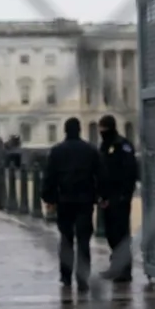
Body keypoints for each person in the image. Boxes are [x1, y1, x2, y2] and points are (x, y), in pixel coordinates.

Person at [41, 117, 102, 292]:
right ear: (80, 130)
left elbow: (49, 176)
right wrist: (100, 195)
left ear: (65, 131)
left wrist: (48, 197)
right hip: (84, 199)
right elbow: (100, 174)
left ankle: (66, 275)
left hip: (64, 199)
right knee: (83, 239)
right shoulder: (90, 150)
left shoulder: (57, 151)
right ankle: (83, 277)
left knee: (66, 238)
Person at [97, 114, 139, 282]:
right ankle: (115, 266)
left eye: (103, 129)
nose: (101, 132)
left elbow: (130, 171)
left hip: (120, 195)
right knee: (110, 233)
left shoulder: (123, 145)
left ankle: (125, 270)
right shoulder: (104, 145)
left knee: (121, 233)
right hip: (107, 195)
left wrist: (125, 194)